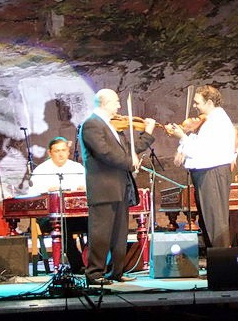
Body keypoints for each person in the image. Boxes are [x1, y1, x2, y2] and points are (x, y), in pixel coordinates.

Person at [79, 89, 156, 285]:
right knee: (101, 233)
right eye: (116, 102)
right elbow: (105, 153)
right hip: (103, 188)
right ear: (105, 103)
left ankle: (116, 271)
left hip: (120, 186)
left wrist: (147, 134)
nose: (119, 106)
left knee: (119, 234)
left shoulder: (111, 126)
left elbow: (127, 151)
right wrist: (130, 162)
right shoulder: (91, 124)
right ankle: (94, 273)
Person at [166, 85, 235, 249]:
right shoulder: (209, 120)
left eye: (197, 102)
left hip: (212, 173)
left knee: (215, 221)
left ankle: (221, 259)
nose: (194, 106)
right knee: (207, 221)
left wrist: (182, 136)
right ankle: (215, 258)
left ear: (209, 102)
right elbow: (197, 143)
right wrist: (182, 148)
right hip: (207, 173)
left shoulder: (217, 121)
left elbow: (201, 150)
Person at [27, 136, 86, 273]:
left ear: (68, 152)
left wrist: (83, 188)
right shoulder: (41, 171)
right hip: (49, 217)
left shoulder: (77, 168)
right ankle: (77, 265)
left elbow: (88, 188)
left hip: (75, 215)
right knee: (62, 225)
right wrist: (48, 191)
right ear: (50, 152)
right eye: (57, 151)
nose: (61, 154)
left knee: (97, 224)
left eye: (63, 150)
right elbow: (33, 195)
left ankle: (96, 262)